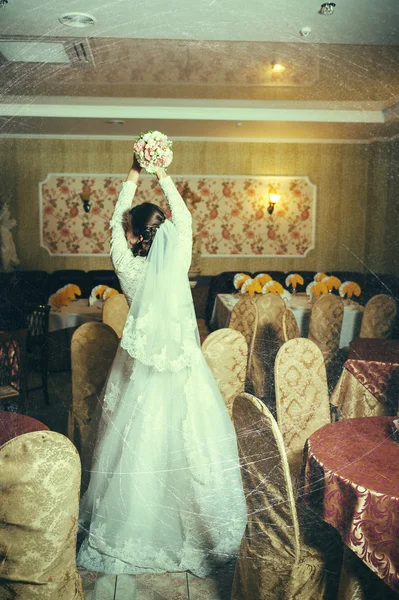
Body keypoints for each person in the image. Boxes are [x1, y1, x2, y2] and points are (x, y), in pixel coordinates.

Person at [77, 154, 247, 577]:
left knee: (138, 443)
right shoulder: (178, 258)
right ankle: (198, 528)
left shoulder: (127, 266)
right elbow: (185, 219)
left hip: (141, 371)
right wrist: (163, 173)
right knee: (189, 441)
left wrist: (135, 171)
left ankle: (135, 527)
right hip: (184, 369)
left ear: (133, 236)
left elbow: (116, 219)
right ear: (165, 231)